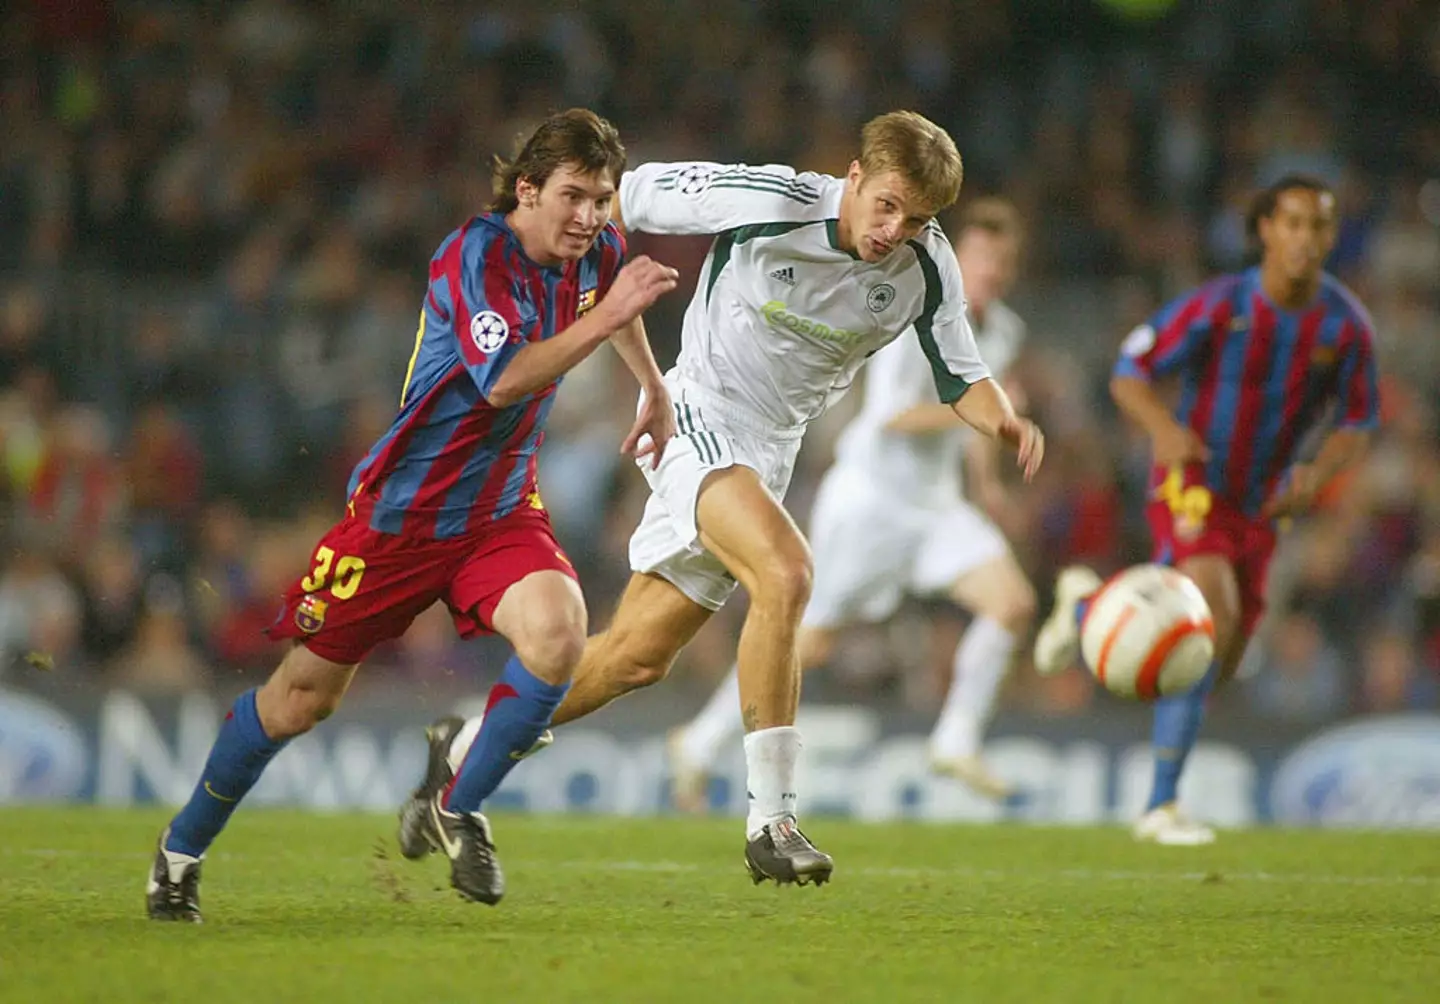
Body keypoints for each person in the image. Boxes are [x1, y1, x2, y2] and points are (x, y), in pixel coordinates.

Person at [401, 111, 1045, 887]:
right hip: (698, 415)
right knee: (787, 572)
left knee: (634, 658)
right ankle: (772, 820)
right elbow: (618, 200)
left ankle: (463, 747)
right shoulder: (767, 200)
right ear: (853, 175)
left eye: (915, 218)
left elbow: (960, 377)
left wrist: (1002, 418)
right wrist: (544, 277)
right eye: (886, 204)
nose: (894, 229)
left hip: (769, 454)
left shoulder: (927, 265)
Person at [146, 108, 680, 921]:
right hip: (402, 517)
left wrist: (651, 381)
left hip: (499, 509)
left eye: (604, 198)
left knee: (561, 631)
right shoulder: (475, 257)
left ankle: (455, 804)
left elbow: (614, 290)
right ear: (527, 189)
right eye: (573, 196)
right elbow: (505, 381)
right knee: (300, 700)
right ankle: (180, 851)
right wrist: (607, 320)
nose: (591, 216)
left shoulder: (593, 247)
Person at [1032, 174, 1379, 845]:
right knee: (1207, 616)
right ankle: (1160, 807)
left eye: (1320, 225)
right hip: (1191, 481)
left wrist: (1318, 472)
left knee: (1221, 659)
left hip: (1262, 506)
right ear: (1265, 231)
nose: (1306, 238)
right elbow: (1130, 372)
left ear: (1332, 236)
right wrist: (1162, 429)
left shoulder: (1345, 326)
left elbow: (1357, 421)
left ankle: (1085, 608)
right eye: (1294, 223)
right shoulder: (1220, 306)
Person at [666, 197, 1037, 808]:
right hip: (871, 502)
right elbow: (892, 418)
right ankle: (701, 742)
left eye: (1003, 261)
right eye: (981, 256)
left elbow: (976, 421)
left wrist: (991, 486)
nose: (991, 270)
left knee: (1013, 604)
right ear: (960, 258)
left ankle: (956, 740)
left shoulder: (1005, 332)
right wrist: (988, 415)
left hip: (937, 507)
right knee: (808, 639)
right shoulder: (919, 310)